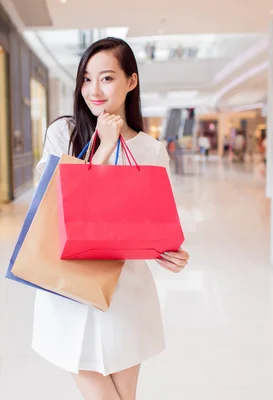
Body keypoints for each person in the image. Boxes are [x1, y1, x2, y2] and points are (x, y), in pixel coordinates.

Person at [33, 37, 190, 400]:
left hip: (126, 291)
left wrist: (171, 253)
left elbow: (153, 223)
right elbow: (55, 203)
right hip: (70, 286)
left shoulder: (150, 150)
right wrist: (103, 148)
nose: (94, 90)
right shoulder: (64, 133)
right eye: (86, 79)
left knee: (125, 394)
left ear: (131, 82)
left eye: (106, 78)